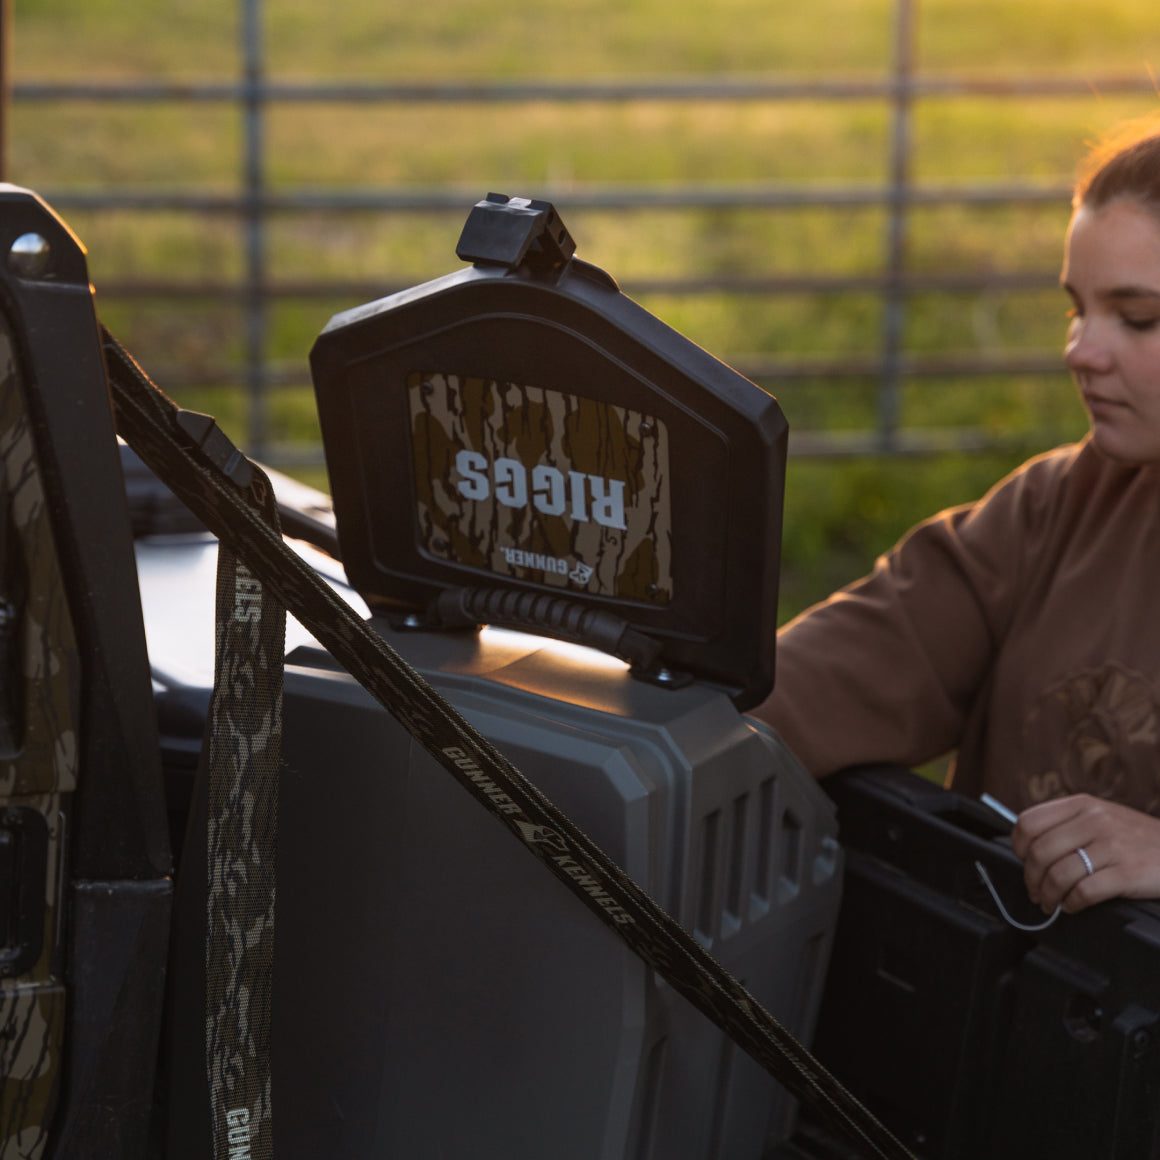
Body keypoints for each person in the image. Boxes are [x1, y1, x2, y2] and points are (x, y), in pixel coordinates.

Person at [752, 115, 1160, 920]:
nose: (1081, 350)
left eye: (1138, 317)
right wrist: (626, 716)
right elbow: (829, 673)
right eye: (1077, 309)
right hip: (994, 1023)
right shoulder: (1058, 505)